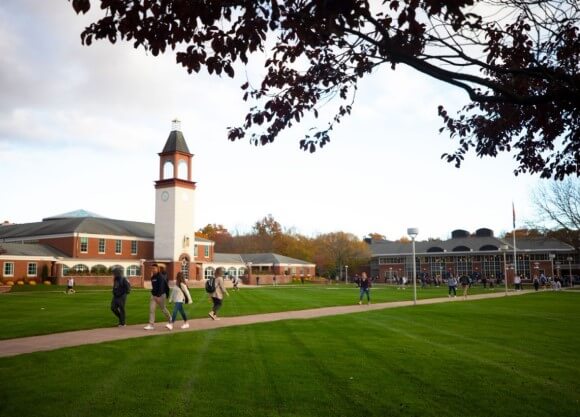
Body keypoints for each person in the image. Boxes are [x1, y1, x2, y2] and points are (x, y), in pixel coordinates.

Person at [144, 263, 172, 330]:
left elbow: (161, 287)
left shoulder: (160, 277)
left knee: (163, 309)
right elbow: (154, 287)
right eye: (152, 269)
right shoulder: (153, 277)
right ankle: (151, 325)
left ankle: (170, 319)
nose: (153, 270)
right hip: (154, 295)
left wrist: (158, 296)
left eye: (154, 268)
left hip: (161, 295)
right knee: (152, 310)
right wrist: (153, 294)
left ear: (157, 269)